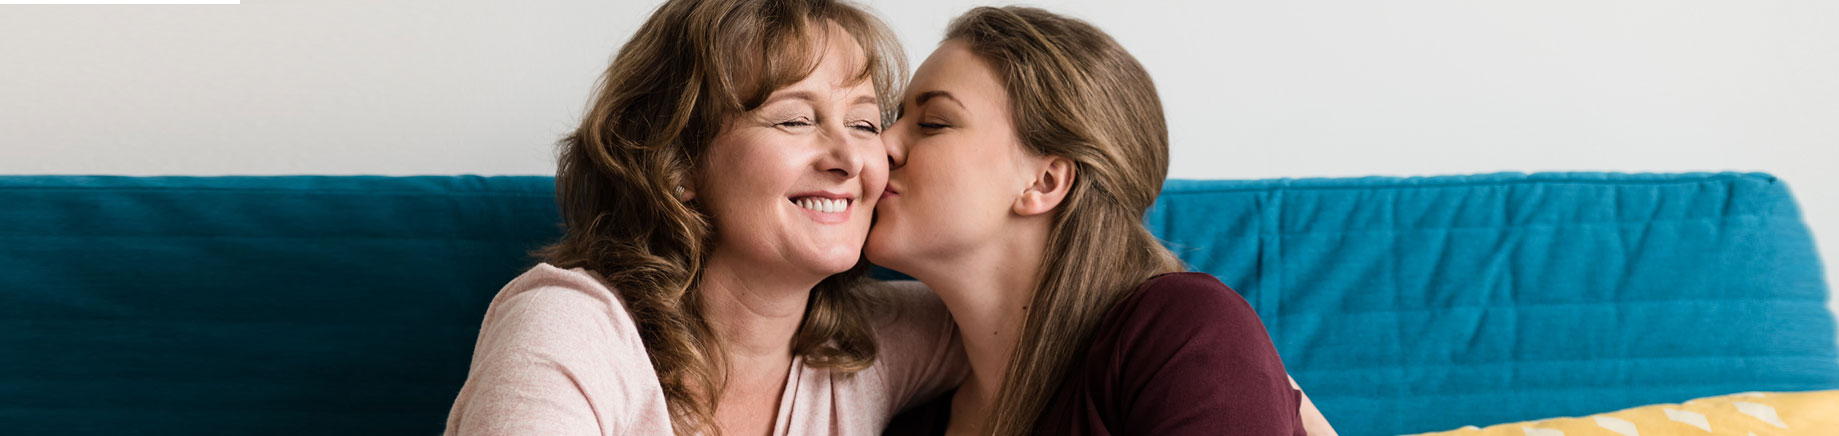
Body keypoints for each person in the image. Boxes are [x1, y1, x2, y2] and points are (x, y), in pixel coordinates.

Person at [443, 1, 964, 434]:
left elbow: (1033, 314)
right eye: (795, 119)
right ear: (676, 164)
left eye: (864, 123)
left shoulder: (872, 340)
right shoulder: (572, 327)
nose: (850, 158)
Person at [869, 6, 1335, 435]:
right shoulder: (908, 415)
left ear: (1046, 182)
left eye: (933, 122)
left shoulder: (1183, 332)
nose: (880, 144)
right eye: (892, 120)